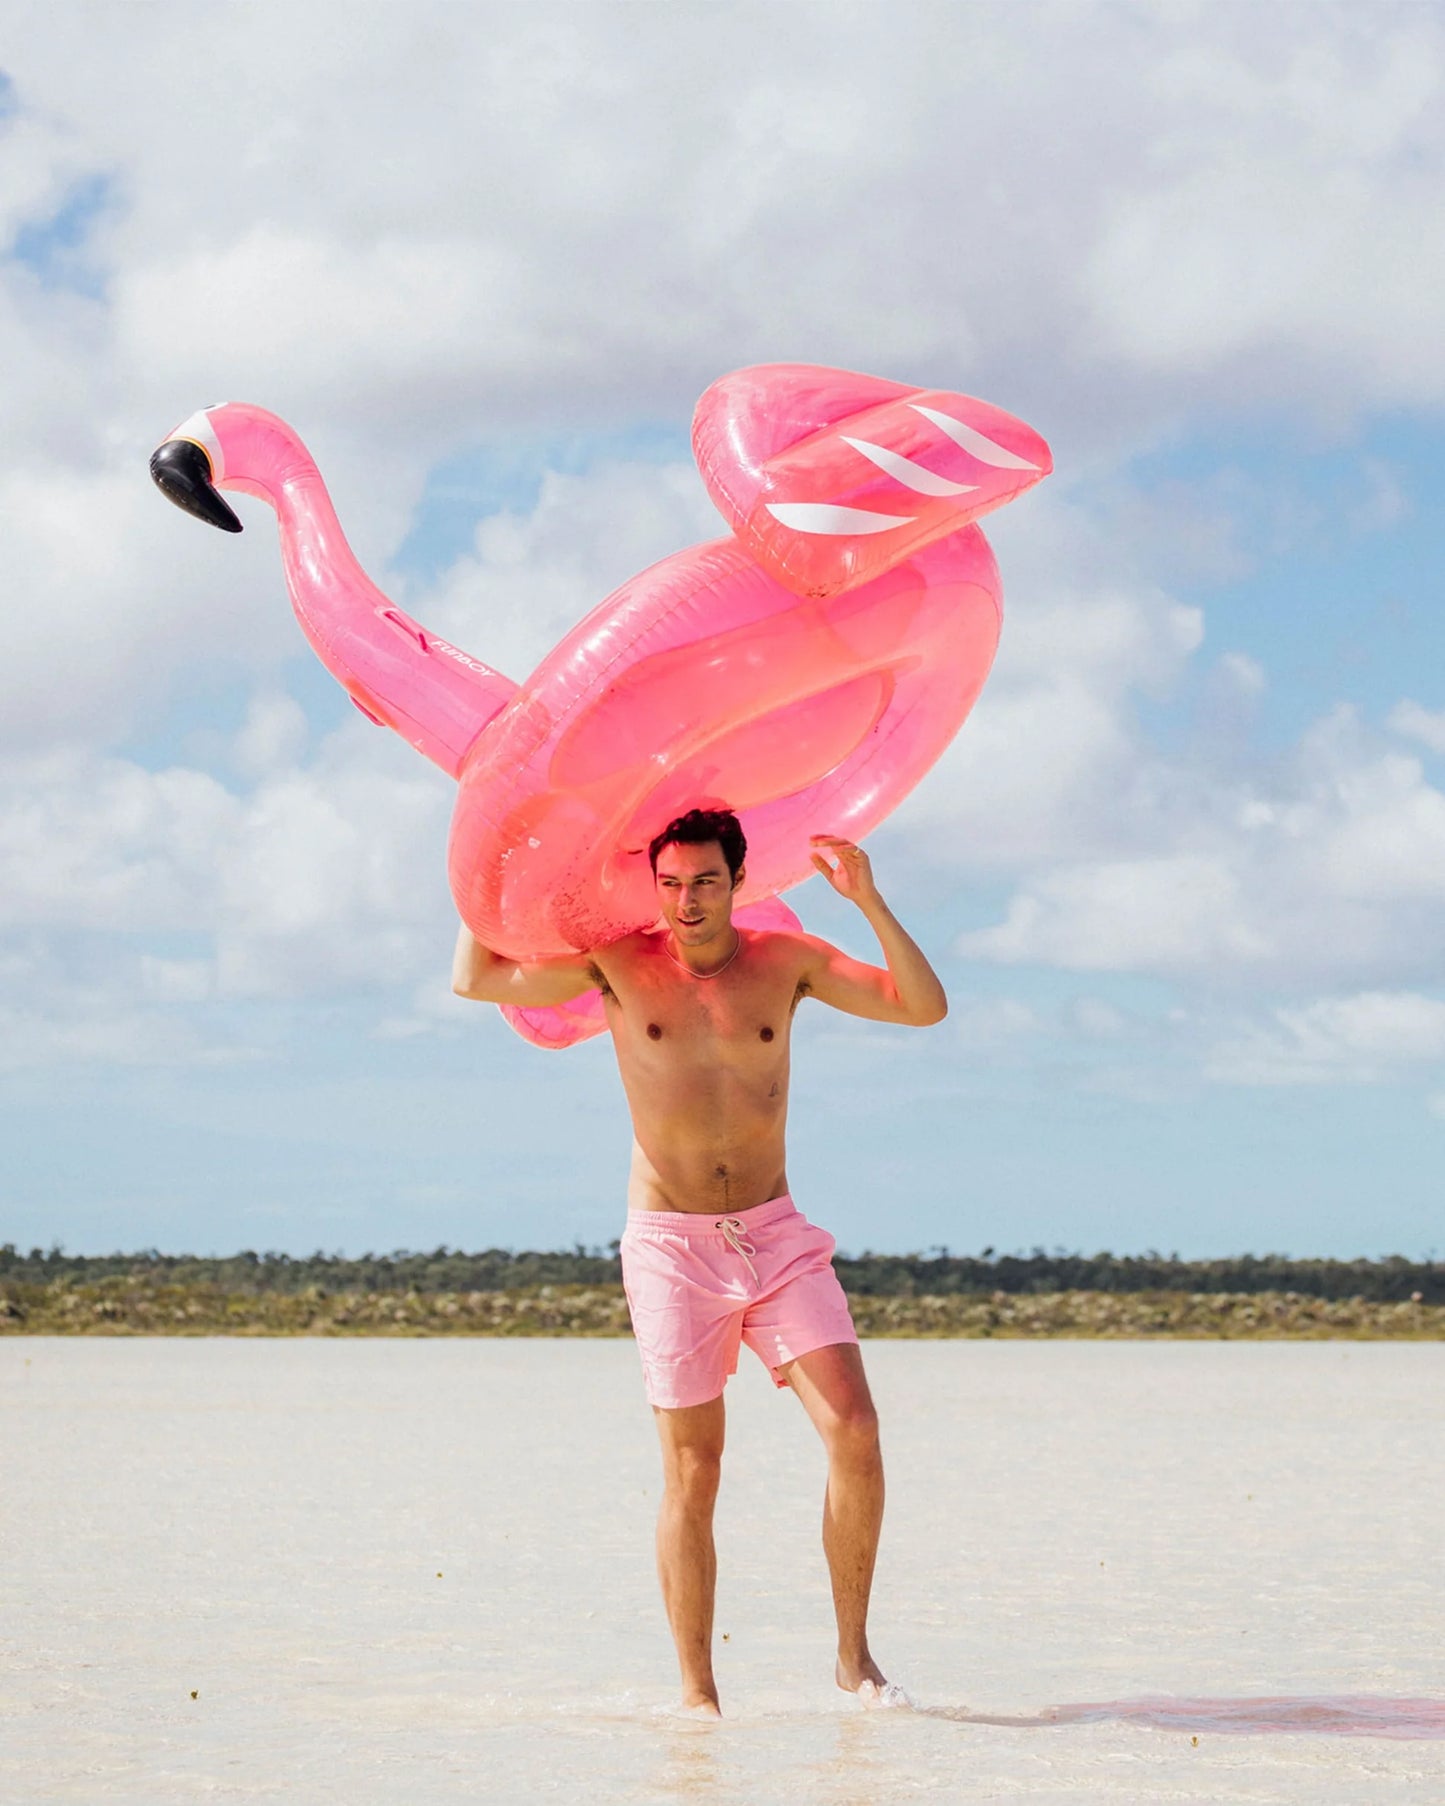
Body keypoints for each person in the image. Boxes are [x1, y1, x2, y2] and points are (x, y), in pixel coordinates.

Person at [452, 807, 947, 1715]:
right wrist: (499, 853)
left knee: (857, 1433)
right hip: (670, 1247)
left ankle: (852, 1659)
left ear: (738, 882)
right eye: (671, 883)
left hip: (776, 1234)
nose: (686, 901)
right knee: (693, 1471)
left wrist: (868, 900)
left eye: (705, 882)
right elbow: (476, 976)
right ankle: (698, 1698)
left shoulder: (783, 966)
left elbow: (921, 1006)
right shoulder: (619, 965)